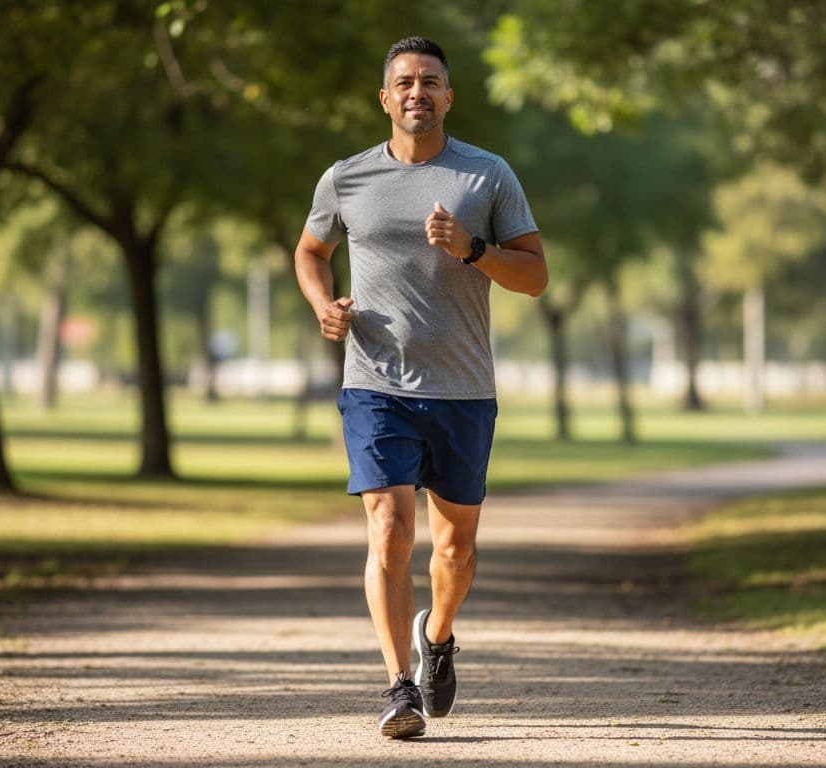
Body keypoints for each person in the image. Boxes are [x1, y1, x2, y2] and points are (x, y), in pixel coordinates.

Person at [293, 36, 547, 739]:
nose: (417, 92)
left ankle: (436, 636)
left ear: (448, 96)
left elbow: (535, 276)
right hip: (375, 382)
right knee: (389, 529)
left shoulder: (487, 177)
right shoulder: (346, 178)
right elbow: (312, 250)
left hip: (463, 388)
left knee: (455, 551)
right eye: (404, 82)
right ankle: (397, 686)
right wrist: (323, 304)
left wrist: (472, 248)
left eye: (430, 82)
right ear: (384, 97)